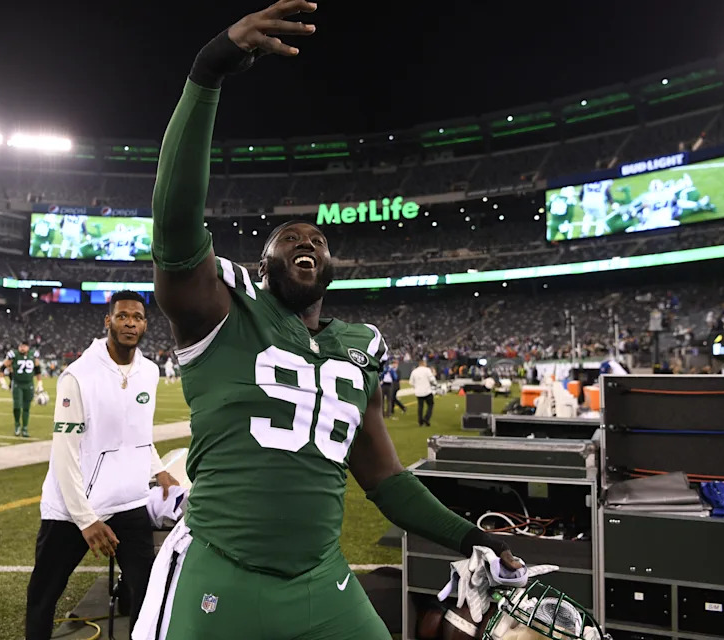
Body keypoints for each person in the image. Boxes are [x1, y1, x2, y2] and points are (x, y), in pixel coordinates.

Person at [132, 5, 521, 638]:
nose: (305, 240)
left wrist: (470, 534)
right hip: (223, 573)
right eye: (289, 239)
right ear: (263, 265)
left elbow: (387, 481)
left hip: (321, 580)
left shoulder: (359, 347)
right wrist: (208, 73)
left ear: (333, 267)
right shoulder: (224, 311)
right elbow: (176, 230)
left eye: (316, 238)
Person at [26, 291, 178, 640]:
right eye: (122, 316)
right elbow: (64, 453)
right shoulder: (77, 376)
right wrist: (85, 519)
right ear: (108, 321)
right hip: (72, 509)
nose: (130, 323)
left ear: (145, 324)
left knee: (148, 588)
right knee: (43, 594)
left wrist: (158, 469)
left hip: (128, 502)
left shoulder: (150, 372)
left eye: (137, 317)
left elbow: (138, 432)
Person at [0, 341, 43, 437]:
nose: (22, 348)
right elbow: (2, 368)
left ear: (28, 347)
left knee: (26, 407)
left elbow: (38, 369)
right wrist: (2, 381)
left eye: (24, 346)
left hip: (29, 384)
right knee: (17, 406)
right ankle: (17, 425)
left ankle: (25, 428)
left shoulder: (33, 355)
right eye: (20, 346)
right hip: (17, 384)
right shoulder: (14, 355)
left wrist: (40, 382)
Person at [409, 359, 437, 427]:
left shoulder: (414, 371)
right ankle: (426, 418)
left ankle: (420, 421)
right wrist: (435, 384)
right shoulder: (427, 370)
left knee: (420, 407)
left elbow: (411, 382)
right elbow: (432, 379)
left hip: (418, 392)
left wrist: (416, 386)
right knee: (430, 405)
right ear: (424, 363)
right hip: (427, 391)